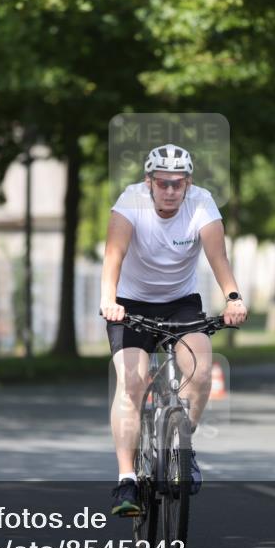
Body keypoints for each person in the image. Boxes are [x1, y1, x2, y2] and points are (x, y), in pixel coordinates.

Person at [100, 143, 248, 516]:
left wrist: (233, 297)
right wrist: (109, 300)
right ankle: (127, 481)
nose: (170, 191)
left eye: (177, 184)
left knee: (199, 373)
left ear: (188, 183)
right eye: (162, 183)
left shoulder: (202, 203)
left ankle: (183, 450)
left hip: (181, 303)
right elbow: (113, 256)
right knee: (131, 381)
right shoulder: (130, 201)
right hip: (129, 304)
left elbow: (218, 257)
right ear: (148, 182)